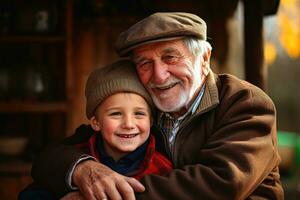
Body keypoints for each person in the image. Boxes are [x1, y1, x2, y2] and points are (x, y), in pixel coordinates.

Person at [30, 12, 284, 199]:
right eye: (144, 64)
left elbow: (222, 184)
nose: (159, 76)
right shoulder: (145, 105)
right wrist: (82, 169)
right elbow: (51, 157)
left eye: (170, 57)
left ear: (204, 59)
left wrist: (103, 196)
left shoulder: (245, 103)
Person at [19, 59, 172, 199]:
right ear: (95, 122)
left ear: (151, 120)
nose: (129, 124)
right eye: (116, 114)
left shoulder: (162, 166)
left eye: (139, 114)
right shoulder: (76, 155)